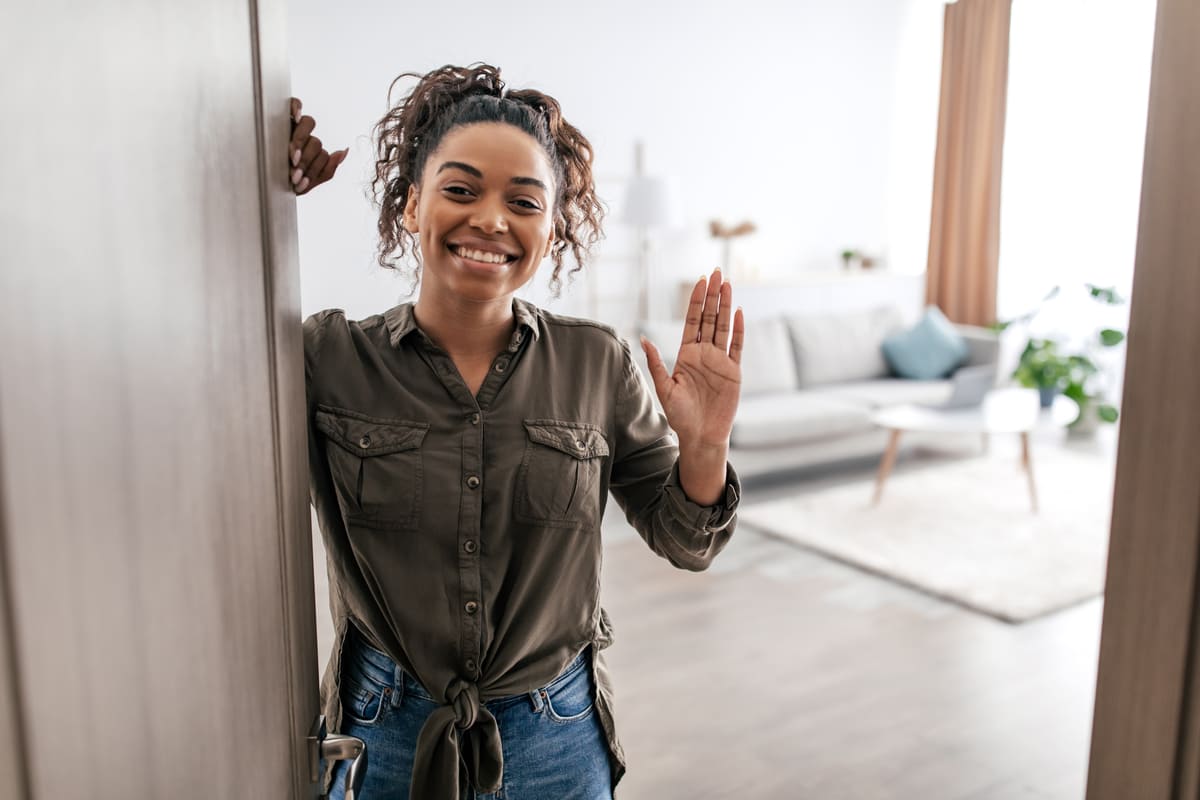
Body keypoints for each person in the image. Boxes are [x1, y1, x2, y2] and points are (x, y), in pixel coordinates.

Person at [293, 63, 745, 800]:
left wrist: (704, 445)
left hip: (555, 736)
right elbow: (201, 373)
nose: (492, 220)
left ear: (551, 226)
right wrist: (250, 186)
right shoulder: (329, 358)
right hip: (384, 731)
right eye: (461, 190)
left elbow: (686, 540)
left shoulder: (596, 361)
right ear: (412, 206)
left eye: (524, 202)